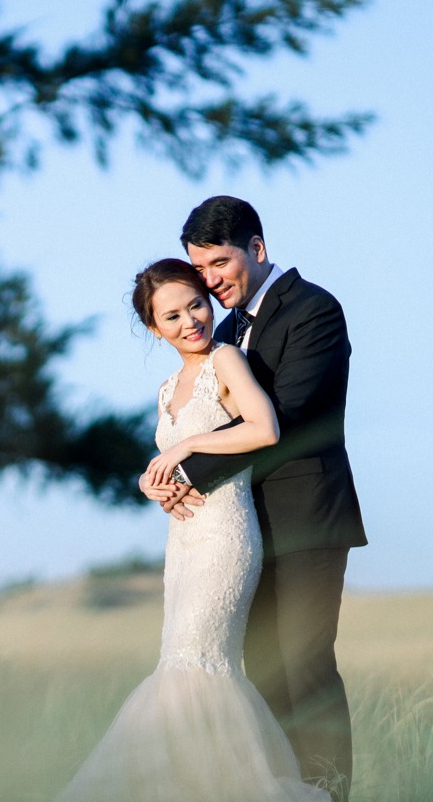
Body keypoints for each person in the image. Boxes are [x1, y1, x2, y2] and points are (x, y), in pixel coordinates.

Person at [53, 258, 329, 802]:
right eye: (172, 316)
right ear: (155, 328)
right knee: (178, 660)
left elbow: (265, 427)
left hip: (226, 536)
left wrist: (184, 446)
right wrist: (151, 483)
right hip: (183, 542)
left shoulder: (226, 358)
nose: (190, 322)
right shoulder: (165, 389)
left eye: (196, 305)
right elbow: (169, 468)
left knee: (198, 662)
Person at [153, 196, 366, 801]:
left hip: (308, 519)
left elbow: (289, 416)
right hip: (241, 530)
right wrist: (170, 479)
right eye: (201, 269)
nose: (211, 280)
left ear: (258, 249)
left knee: (306, 668)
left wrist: (186, 468)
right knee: (263, 673)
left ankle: (329, 793)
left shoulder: (314, 309)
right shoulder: (223, 332)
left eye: (220, 263)